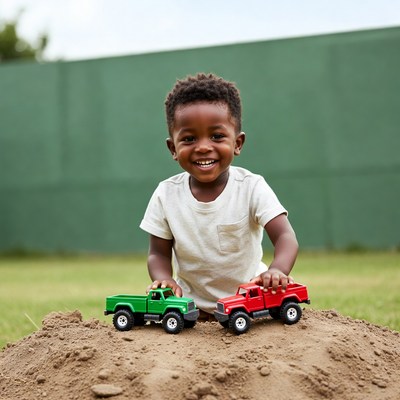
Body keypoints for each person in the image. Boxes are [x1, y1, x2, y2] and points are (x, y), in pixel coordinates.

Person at [140, 73, 298, 317]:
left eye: (217, 136)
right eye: (189, 138)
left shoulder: (252, 187)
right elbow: (158, 253)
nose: (203, 146)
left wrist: (277, 270)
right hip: (191, 309)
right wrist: (163, 279)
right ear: (173, 148)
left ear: (238, 143)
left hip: (249, 300)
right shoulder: (165, 194)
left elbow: (286, 237)